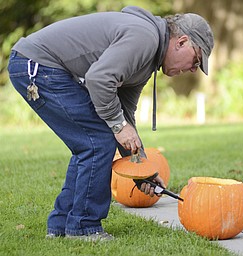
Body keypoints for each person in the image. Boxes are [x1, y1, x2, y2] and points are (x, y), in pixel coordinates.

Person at [7, 6, 214, 241]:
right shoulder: (144, 38)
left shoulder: (147, 59)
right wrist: (118, 126)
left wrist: (141, 168)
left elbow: (124, 116)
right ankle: (84, 227)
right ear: (182, 42)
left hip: (40, 66)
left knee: (92, 142)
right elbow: (99, 79)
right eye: (196, 60)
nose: (192, 69)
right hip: (36, 66)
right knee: (97, 141)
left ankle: (62, 226)